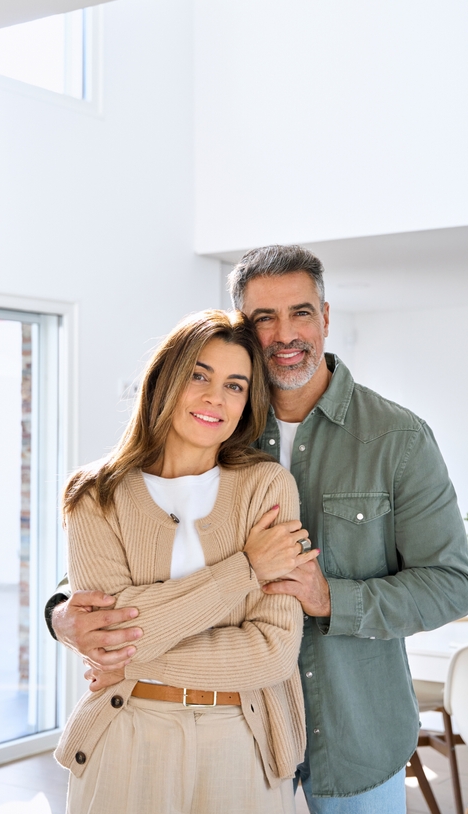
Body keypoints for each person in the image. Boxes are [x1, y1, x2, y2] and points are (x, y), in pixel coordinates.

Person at [48, 245, 468, 814]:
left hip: (353, 738)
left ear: (325, 317)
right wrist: (59, 612)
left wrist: (332, 598)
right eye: (263, 319)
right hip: (238, 739)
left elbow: (451, 585)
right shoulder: (217, 425)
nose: (284, 334)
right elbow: (122, 551)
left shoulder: (397, 439)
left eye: (300, 312)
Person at [56, 309, 316, 814]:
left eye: (235, 385)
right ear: (165, 381)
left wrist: (129, 655)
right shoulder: (95, 495)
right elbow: (110, 628)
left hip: (242, 737)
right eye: (200, 375)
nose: (215, 397)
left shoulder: (267, 488)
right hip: (125, 734)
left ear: (247, 403)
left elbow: (272, 651)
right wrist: (245, 569)